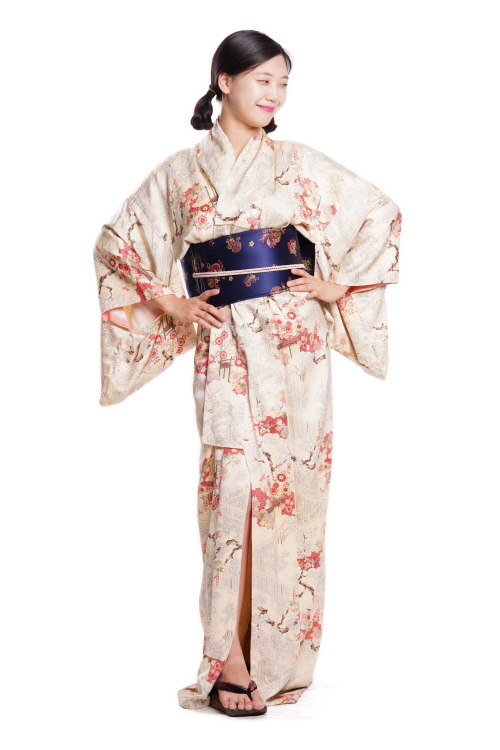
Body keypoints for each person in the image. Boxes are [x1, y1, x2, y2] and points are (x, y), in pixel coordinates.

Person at [93, 29, 402, 717]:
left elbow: (380, 213)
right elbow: (117, 244)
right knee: (230, 488)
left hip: (297, 348)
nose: (275, 94)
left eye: (284, 83)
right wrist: (169, 301)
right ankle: (226, 658)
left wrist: (338, 286)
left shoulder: (298, 165)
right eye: (263, 79)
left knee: (289, 492)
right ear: (225, 82)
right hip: (226, 346)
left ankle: (276, 657)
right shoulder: (180, 173)